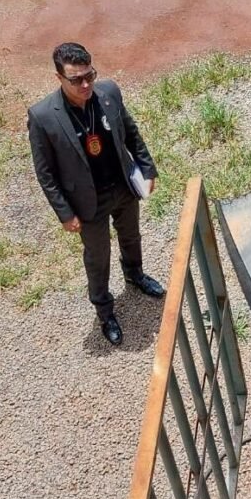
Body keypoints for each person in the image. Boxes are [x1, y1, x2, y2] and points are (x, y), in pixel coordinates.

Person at [27, 42, 164, 346]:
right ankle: (105, 311)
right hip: (87, 202)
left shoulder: (109, 93)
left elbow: (131, 133)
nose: (86, 84)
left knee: (131, 236)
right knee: (97, 256)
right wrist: (65, 213)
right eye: (76, 80)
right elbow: (45, 173)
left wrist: (147, 168)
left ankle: (135, 275)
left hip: (122, 186)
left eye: (89, 75)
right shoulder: (43, 117)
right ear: (58, 78)